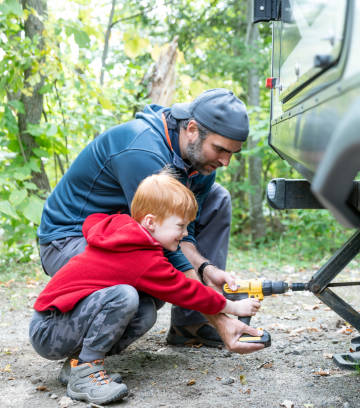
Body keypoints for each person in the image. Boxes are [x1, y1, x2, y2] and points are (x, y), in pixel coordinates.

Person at [37, 88, 254, 355]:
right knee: (142, 291)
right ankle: (82, 361)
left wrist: (205, 268)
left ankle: (191, 324)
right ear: (193, 129)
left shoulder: (201, 164)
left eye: (233, 153)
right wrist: (222, 319)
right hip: (69, 239)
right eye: (220, 149)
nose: (226, 161)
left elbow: (183, 234)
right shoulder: (142, 150)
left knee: (218, 198)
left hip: (128, 237)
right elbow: (166, 252)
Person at [29, 172, 263, 405]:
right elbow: (185, 290)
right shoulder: (138, 255)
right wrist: (232, 305)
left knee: (146, 308)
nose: (184, 234)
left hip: (60, 324)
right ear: (150, 222)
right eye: (180, 226)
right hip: (49, 328)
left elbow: (94, 222)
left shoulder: (128, 233)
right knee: (124, 296)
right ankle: (86, 372)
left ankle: (77, 365)